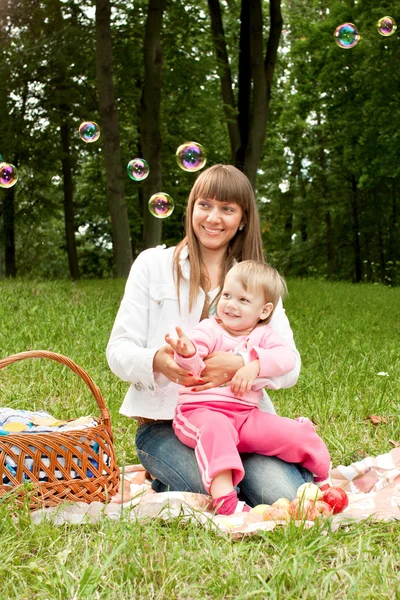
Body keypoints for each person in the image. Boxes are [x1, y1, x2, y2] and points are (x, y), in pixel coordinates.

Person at [106, 163, 313, 507]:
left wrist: (240, 364)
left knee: (281, 496)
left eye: (227, 209)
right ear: (191, 208)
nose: (213, 218)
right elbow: (119, 350)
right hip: (166, 425)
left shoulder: (255, 281)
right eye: (205, 205)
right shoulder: (152, 265)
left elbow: (290, 367)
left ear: (243, 218)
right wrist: (158, 360)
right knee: (207, 488)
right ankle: (178, 477)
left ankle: (271, 467)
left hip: (244, 421)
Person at [166, 261, 331, 515]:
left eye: (243, 300)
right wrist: (187, 353)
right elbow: (193, 362)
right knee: (216, 432)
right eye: (227, 295)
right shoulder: (210, 328)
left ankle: (322, 477)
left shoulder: (264, 335)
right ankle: (226, 503)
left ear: (264, 310)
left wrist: (252, 365)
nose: (230, 304)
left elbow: (286, 359)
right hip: (200, 411)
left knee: (294, 433)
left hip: (245, 416)